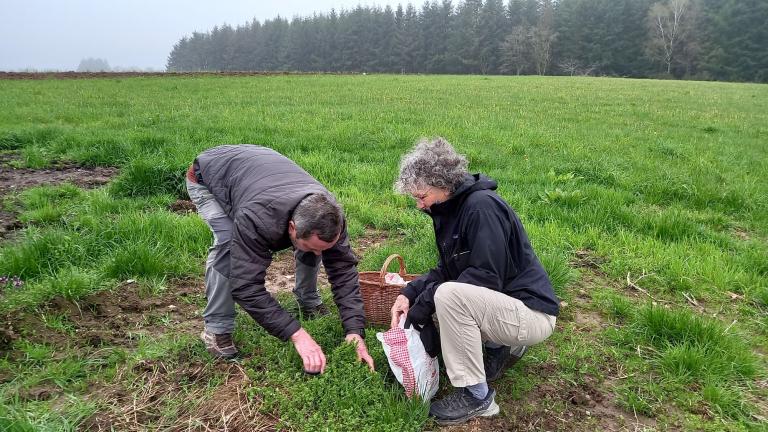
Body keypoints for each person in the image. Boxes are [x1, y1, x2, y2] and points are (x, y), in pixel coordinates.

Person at [390, 138, 559, 425]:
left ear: (443, 184)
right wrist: (411, 292)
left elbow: (485, 277)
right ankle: (500, 347)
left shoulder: (481, 208)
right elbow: (448, 268)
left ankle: (477, 396)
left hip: (532, 313)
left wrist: (427, 301)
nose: (419, 205)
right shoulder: (448, 210)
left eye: (421, 196)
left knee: (448, 298)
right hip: (507, 306)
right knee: (443, 302)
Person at [186, 144, 374, 374]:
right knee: (228, 244)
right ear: (292, 228)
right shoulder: (256, 218)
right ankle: (217, 327)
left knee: (313, 247)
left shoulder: (331, 215)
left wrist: (355, 331)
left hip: (262, 173)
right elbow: (245, 286)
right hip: (210, 176)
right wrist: (296, 334)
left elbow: (344, 272)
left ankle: (308, 300)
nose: (319, 255)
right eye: (311, 247)